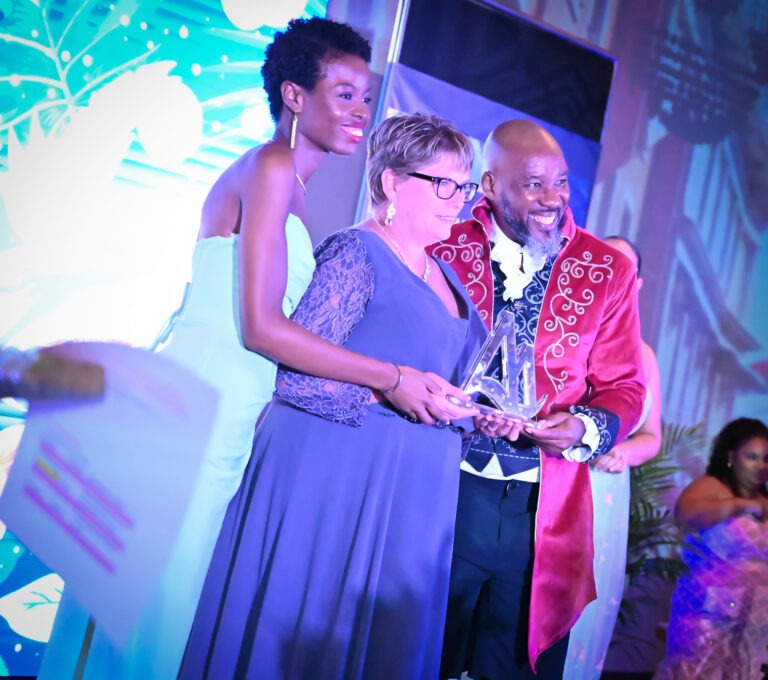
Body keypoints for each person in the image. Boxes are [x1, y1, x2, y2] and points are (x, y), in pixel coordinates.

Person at [39, 19, 470, 680]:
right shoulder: (271, 165)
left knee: (162, 624)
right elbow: (262, 328)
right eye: (344, 94)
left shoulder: (294, 187)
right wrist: (390, 377)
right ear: (295, 95)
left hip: (232, 414)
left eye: (365, 96)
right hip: (197, 411)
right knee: (145, 626)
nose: (361, 111)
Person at [178, 111, 487, 679]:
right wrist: (391, 391)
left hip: (413, 495)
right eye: (444, 184)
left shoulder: (448, 275)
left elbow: (448, 381)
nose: (459, 201)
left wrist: (482, 416)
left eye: (464, 187)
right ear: (393, 182)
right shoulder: (356, 253)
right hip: (339, 479)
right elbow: (294, 377)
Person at [431, 118, 646, 679]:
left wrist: (581, 428)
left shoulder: (608, 270)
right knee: (419, 654)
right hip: (440, 492)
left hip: (541, 513)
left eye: (562, 182)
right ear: (489, 185)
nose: (553, 199)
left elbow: (625, 386)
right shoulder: (443, 245)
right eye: (533, 184)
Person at [563, 236, 663, 679]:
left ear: (636, 284)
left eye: (624, 269)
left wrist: (620, 450)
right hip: (560, 477)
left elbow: (651, 437)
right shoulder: (565, 333)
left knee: (583, 606)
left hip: (604, 489)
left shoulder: (643, 355)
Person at [653, 417, 768, 679]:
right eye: (752, 457)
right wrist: (739, 505)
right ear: (731, 457)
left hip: (757, 613)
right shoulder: (711, 486)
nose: (761, 466)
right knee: (696, 669)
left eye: (766, 459)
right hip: (709, 606)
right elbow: (685, 513)